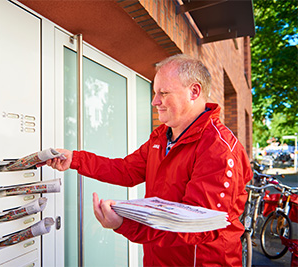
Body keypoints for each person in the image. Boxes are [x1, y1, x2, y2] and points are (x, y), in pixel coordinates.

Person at [47, 54, 253, 266]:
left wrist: (123, 224)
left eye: (163, 93)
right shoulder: (162, 136)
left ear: (194, 91)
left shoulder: (218, 148)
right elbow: (125, 170)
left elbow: (194, 225)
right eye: (155, 93)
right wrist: (75, 159)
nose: (155, 101)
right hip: (158, 258)